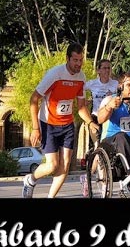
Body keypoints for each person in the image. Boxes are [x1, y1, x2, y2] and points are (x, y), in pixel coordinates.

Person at [22, 42, 99, 199]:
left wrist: (91, 122)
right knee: (52, 165)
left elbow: (81, 107)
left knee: (65, 165)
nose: (78, 64)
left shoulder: (81, 77)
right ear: (68, 59)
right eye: (75, 60)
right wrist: (35, 128)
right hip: (48, 123)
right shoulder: (54, 74)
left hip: (67, 125)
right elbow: (33, 99)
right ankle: (30, 180)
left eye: (80, 60)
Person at [84, 59, 118, 146]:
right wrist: (86, 100)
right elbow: (79, 89)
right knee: (96, 142)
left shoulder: (116, 84)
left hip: (109, 116)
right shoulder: (92, 83)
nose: (107, 70)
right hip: (96, 115)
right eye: (104, 68)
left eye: (109, 68)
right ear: (98, 70)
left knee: (106, 142)